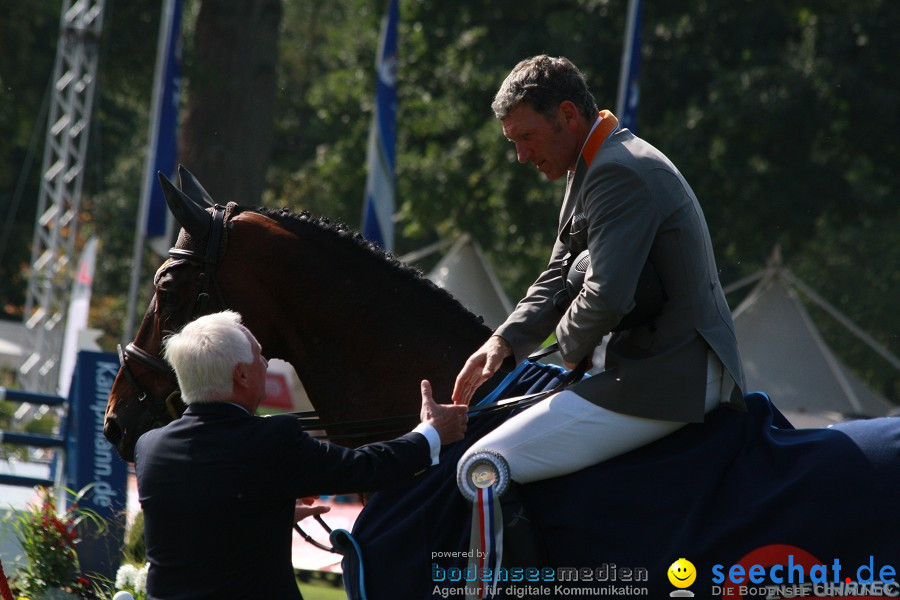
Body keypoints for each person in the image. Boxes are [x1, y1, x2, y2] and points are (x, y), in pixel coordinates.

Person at [453, 55, 746, 487]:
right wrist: (503, 340)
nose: (521, 156)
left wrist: (570, 348)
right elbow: (558, 273)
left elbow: (605, 294)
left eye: (527, 137)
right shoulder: (591, 161)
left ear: (567, 115)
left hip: (673, 376)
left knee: (484, 464)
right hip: (652, 368)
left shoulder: (616, 170)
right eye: (514, 142)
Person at [135, 310, 468, 599]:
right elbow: (365, 468)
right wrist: (431, 433)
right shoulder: (271, 439)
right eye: (259, 355)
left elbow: (202, 519)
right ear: (242, 374)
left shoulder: (149, 447)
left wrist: (270, 514)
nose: (266, 363)